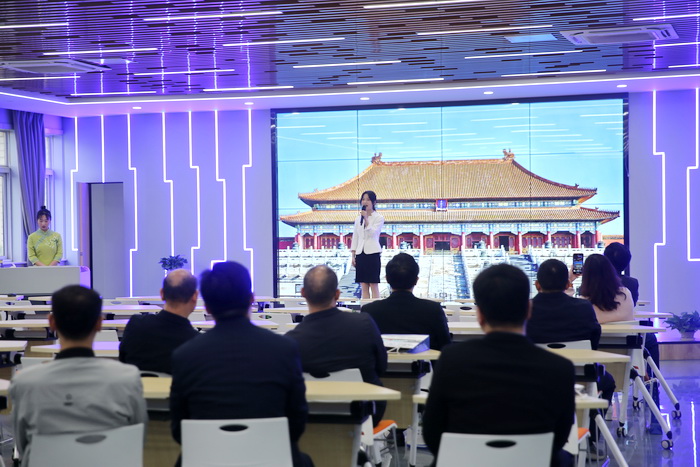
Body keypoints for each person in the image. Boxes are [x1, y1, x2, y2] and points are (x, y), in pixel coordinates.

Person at [423, 264, 575, 467]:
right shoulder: (560, 367)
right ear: (529, 309)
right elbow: (560, 436)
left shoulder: (452, 359)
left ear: (479, 314)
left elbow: (432, 432)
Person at [169, 262, 312, 467]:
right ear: (251, 299)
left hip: (206, 460)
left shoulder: (185, 355)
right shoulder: (284, 349)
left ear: (207, 306)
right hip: (271, 459)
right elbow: (297, 423)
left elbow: (178, 430)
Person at [10, 285, 147, 467]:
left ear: (52, 322)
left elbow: (23, 445)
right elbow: (138, 437)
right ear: (99, 323)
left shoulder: (25, 382)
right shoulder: (127, 378)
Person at [286, 265, 388, 423]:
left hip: (310, 419)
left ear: (303, 293)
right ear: (337, 294)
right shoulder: (364, 324)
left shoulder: (290, 341)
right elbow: (381, 367)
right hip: (365, 416)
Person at [361, 252, 450, 350]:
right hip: (423, 359)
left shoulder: (369, 311)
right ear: (416, 280)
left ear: (387, 279)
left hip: (384, 360)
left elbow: (365, 348)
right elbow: (445, 346)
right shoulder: (433, 310)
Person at [119, 269, 200, 374]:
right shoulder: (197, 343)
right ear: (195, 296)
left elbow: (123, 363)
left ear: (162, 293)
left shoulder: (136, 325)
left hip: (136, 384)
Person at [527, 259, 601, 349]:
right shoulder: (584, 307)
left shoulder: (525, 309)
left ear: (537, 285)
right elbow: (595, 336)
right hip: (578, 357)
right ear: (567, 284)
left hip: (537, 358)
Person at [579, 254, 634, 324]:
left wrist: (571, 279)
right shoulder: (625, 294)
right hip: (625, 331)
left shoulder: (582, 303)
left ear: (586, 275)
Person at [350, 190, 384, 299]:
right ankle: (365, 307)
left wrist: (366, 219)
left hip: (373, 253)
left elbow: (373, 233)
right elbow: (356, 237)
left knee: (373, 284)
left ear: (374, 202)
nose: (365, 202)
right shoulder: (357, 219)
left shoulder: (378, 218)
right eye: (363, 199)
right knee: (363, 285)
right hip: (360, 254)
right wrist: (353, 255)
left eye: (368, 199)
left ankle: (376, 308)